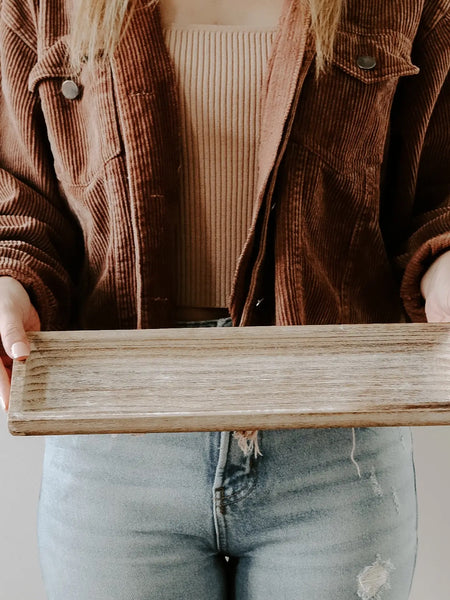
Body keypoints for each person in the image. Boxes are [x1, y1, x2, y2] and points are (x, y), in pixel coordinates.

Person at [0, 0, 448, 597]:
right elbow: (21, 195)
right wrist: (10, 283)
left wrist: (444, 263)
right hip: (115, 437)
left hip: (335, 440)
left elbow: (437, 190)